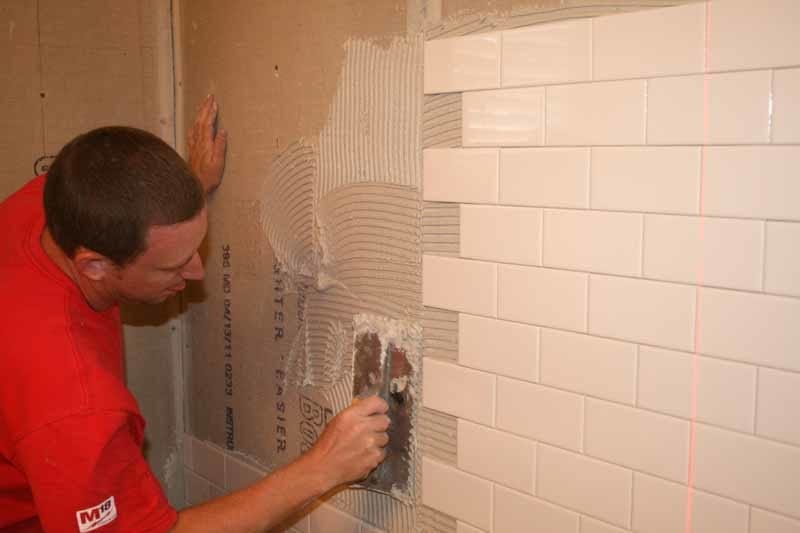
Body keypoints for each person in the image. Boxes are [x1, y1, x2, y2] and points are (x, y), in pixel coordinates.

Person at [0, 95, 390, 532]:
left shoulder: (59, 203)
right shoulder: (75, 404)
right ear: (94, 265)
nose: (197, 271)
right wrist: (321, 468)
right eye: (172, 264)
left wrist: (188, 185)